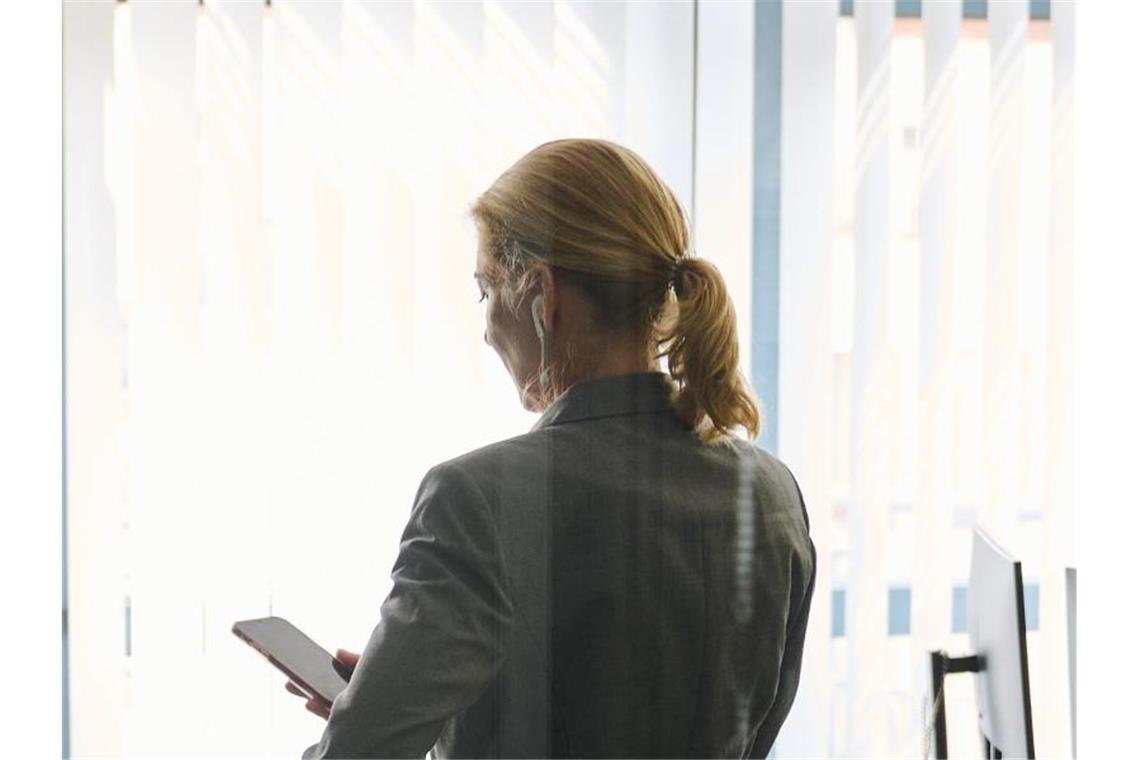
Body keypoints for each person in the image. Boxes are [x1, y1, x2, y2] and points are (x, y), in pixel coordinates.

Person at [290, 138, 816, 758]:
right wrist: (420, 701)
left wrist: (381, 723)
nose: (486, 331)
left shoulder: (476, 501)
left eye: (486, 291)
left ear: (544, 296)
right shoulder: (773, 493)